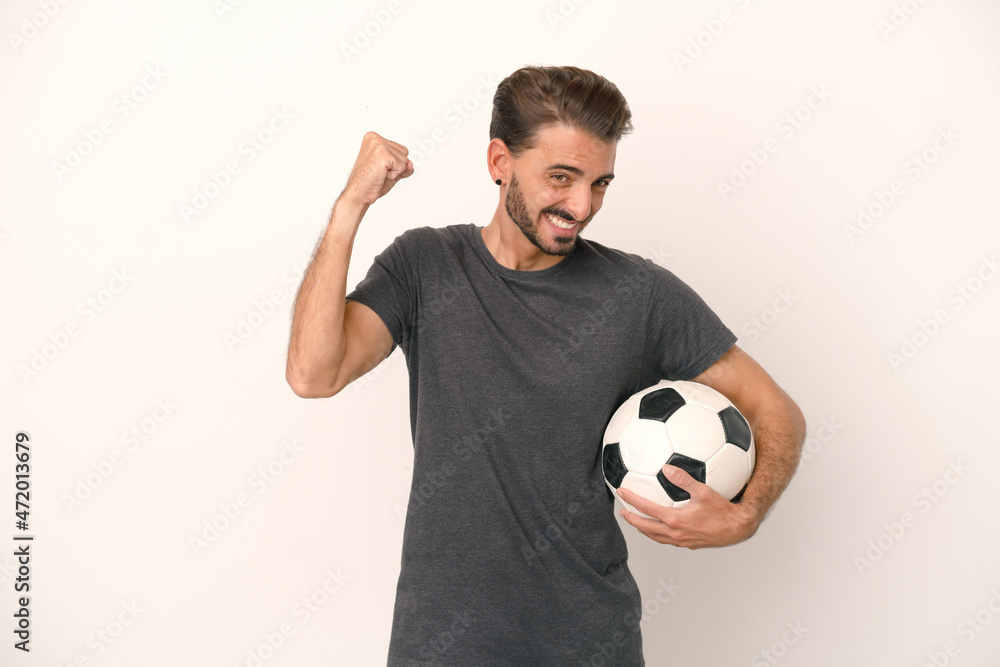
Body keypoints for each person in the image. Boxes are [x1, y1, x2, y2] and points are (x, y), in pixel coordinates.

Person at [286, 65, 806, 666]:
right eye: (561, 177)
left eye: (600, 183)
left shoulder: (637, 294)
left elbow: (776, 410)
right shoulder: (425, 266)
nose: (581, 205)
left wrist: (747, 515)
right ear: (499, 162)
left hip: (588, 641)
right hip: (442, 646)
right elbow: (312, 374)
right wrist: (352, 205)